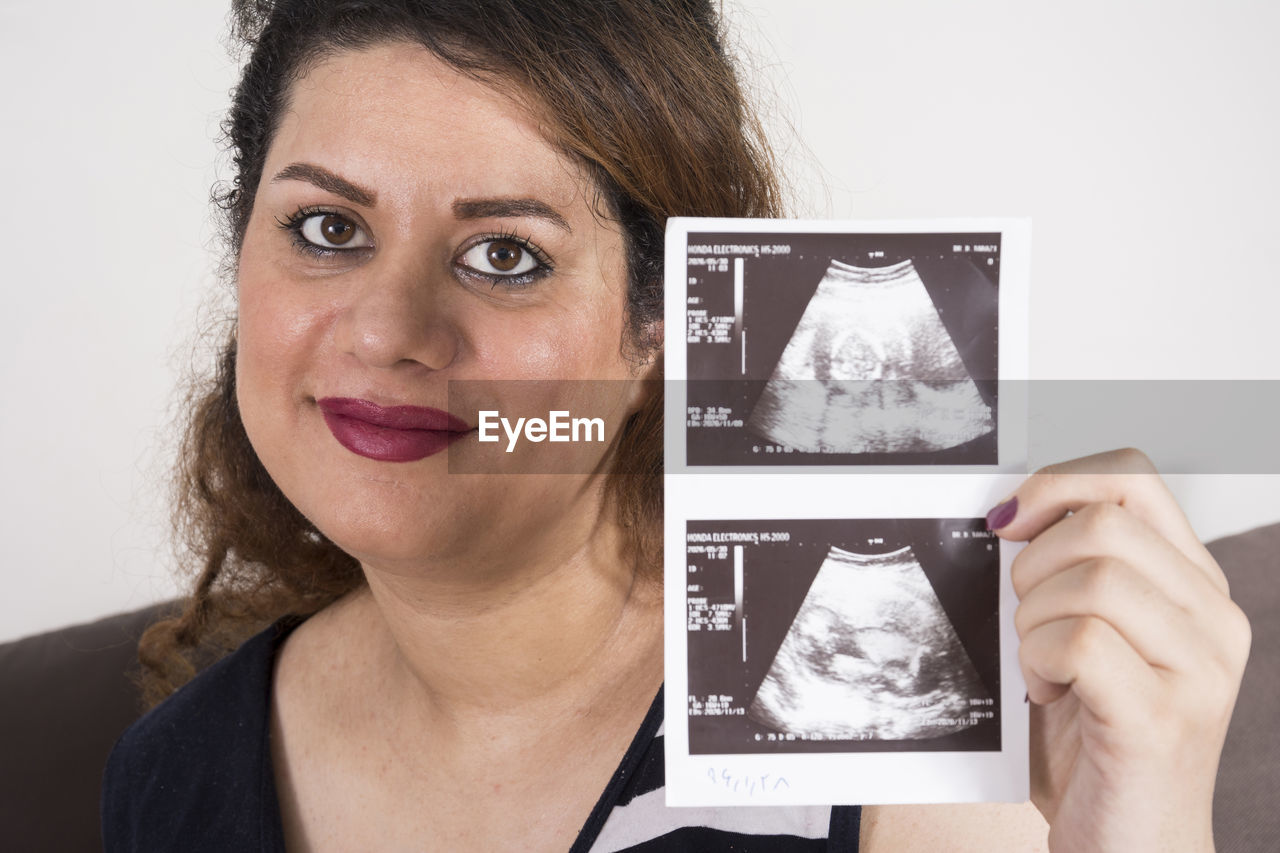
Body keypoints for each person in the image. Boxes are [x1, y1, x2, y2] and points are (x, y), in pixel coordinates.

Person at [100, 1, 1252, 850]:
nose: (389, 331)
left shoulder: (881, 724)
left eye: (504, 254)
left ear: (661, 325)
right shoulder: (171, 777)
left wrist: (1137, 832)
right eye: (326, 229)